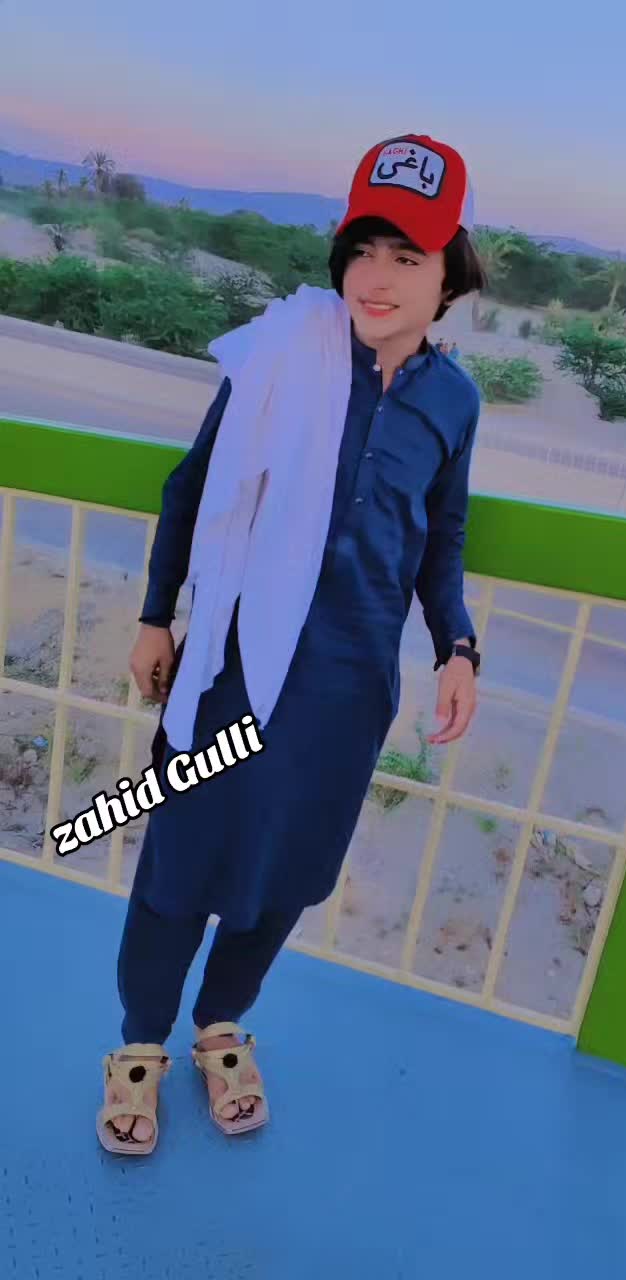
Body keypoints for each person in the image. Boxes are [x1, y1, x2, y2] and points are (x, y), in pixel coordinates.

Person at [96, 132, 487, 1154]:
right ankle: (139, 1043)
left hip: (346, 696)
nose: (376, 277)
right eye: (363, 249)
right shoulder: (282, 358)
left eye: (407, 256)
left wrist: (458, 645)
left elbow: (440, 540)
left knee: (286, 873)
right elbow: (193, 487)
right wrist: (156, 614)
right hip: (230, 674)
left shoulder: (454, 401)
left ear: (448, 277)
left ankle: (220, 1025)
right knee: (181, 862)